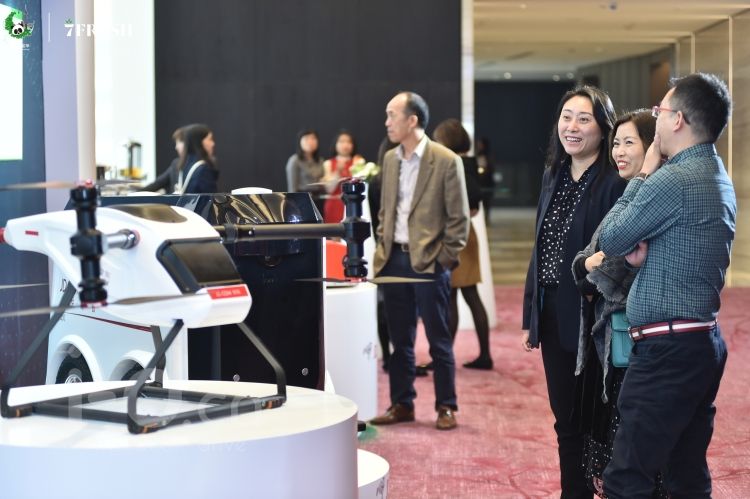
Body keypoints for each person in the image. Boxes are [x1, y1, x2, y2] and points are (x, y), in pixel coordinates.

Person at [598, 73, 734, 498]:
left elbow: (611, 238)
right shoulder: (715, 172)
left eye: (659, 110)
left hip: (667, 351)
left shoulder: (673, 178)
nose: (655, 118)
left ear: (677, 120)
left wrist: (643, 174)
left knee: (627, 477)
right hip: (700, 341)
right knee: (686, 474)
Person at [522, 86, 625, 498]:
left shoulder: (614, 182)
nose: (572, 127)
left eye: (584, 119)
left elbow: (617, 255)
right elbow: (541, 247)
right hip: (553, 315)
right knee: (565, 420)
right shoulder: (554, 175)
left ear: (603, 128)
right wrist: (532, 312)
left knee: (600, 421)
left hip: (594, 321)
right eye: (566, 117)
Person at [570, 110, 666, 497]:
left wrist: (591, 269)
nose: (619, 152)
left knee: (635, 459)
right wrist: (589, 266)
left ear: (653, 148)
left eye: (629, 142)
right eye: (616, 143)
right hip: (612, 343)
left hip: (638, 343)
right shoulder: (627, 198)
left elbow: (609, 267)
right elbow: (585, 261)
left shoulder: (652, 198)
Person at [369, 91, 469, 431]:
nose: (387, 122)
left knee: (439, 339)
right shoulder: (390, 159)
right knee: (400, 339)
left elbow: (459, 220)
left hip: (429, 263)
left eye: (392, 115)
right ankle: (402, 403)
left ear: (412, 120)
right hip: (393, 260)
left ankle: (446, 405)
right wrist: (383, 245)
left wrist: (444, 259)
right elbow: (386, 211)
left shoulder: (445, 160)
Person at [433, 118, 492, 370]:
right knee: (466, 295)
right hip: (464, 235)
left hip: (456, 236)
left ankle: (445, 357)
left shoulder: (455, 164)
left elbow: (467, 204)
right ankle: (481, 355)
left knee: (454, 297)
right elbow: (475, 206)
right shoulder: (468, 163)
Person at [142, 124, 218, 194]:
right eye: (210, 139)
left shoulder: (180, 164)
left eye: (179, 142)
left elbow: (157, 184)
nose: (213, 144)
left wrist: (136, 194)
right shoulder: (203, 168)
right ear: (199, 141)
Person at [322, 130, 364, 223]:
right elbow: (329, 189)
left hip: (352, 205)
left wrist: (357, 167)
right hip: (334, 205)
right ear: (335, 144)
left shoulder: (358, 161)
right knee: (333, 231)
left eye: (348, 142)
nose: (345, 145)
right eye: (341, 141)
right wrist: (337, 171)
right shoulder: (328, 163)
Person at [285, 129, 326, 214]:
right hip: (302, 202)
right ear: (300, 142)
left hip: (319, 202)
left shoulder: (320, 160)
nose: (310, 142)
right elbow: (292, 189)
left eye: (313, 138)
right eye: (306, 139)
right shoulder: (295, 160)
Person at [475, 137, 495, 225]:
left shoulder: (489, 156)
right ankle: (482, 219)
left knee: (487, 202)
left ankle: (486, 219)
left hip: (486, 182)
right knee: (481, 202)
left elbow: (490, 168)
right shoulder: (477, 155)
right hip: (480, 182)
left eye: (480, 144)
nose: (479, 146)